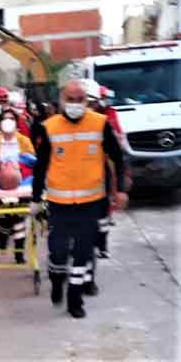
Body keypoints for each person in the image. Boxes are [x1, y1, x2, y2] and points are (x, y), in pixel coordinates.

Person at [31, 80, 128, 319]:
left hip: (90, 202)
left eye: (79, 99)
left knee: (83, 253)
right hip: (59, 203)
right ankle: (56, 281)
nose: (75, 104)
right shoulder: (49, 127)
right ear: (62, 100)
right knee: (58, 252)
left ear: (86, 100)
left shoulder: (99, 123)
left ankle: (75, 299)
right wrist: (35, 198)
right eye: (70, 99)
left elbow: (117, 157)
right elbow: (41, 166)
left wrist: (121, 189)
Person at [0, 109, 35, 263]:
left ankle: (15, 248)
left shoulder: (24, 141)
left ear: (16, 121)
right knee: (5, 211)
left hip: (22, 184)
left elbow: (32, 163)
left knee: (18, 214)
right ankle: (5, 233)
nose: (8, 122)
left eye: (11, 118)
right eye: (5, 119)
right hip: (0, 186)